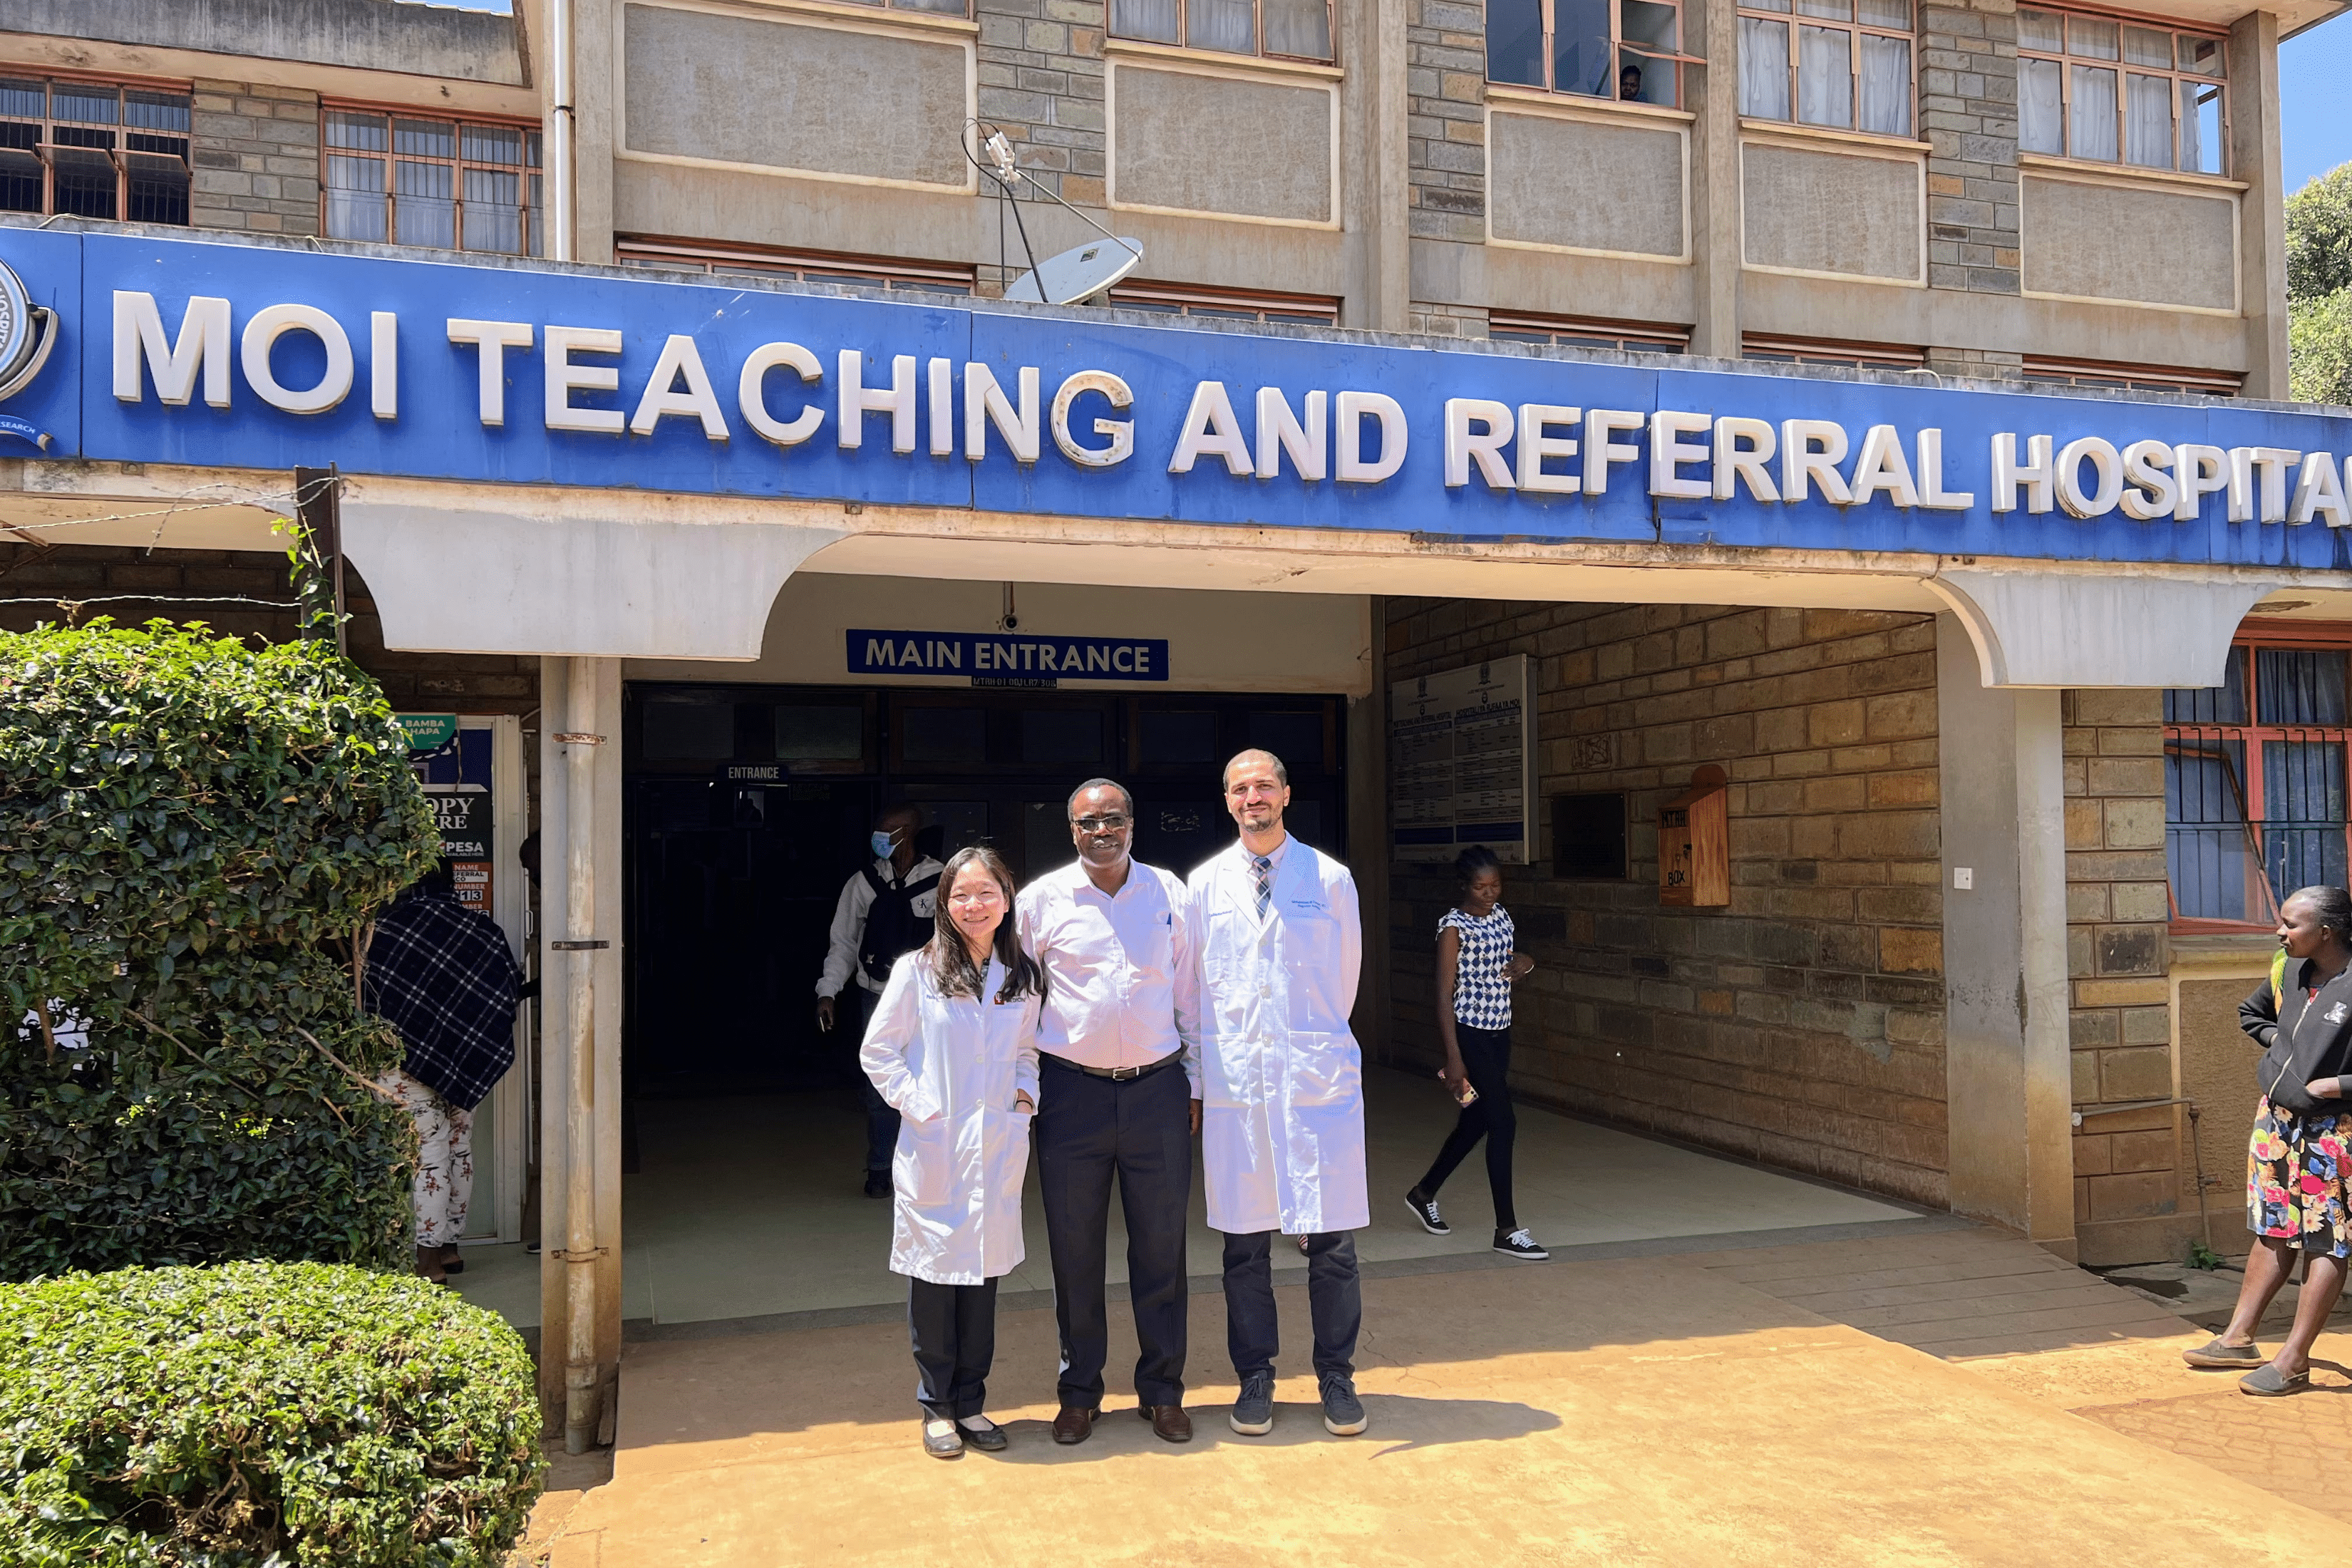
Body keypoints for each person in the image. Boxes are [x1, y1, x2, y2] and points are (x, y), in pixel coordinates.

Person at [1188, 748, 1370, 1438]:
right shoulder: (1204, 886)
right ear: (1228, 800)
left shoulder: (1330, 879)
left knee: (1332, 1242)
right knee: (1244, 1247)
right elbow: (1195, 994)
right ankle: (1256, 1377)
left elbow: (1343, 983)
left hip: (1312, 1082)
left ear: (1287, 795)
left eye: (1264, 785)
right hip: (1240, 1086)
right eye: (1241, 787)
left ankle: (1337, 1376)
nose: (1253, 796)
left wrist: (1309, 1046)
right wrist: (1202, 1081)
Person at [1017, 778, 1202, 1447]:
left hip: (1157, 1091)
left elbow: (1190, 995)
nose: (1102, 831)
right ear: (1072, 830)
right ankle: (1079, 1392)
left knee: (1162, 1249)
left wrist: (1197, 1084)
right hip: (1072, 1095)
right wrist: (1024, 1089)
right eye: (1089, 822)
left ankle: (1162, 1390)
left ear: (1132, 824)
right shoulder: (1039, 902)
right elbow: (1020, 1001)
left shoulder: (1169, 894)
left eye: (1113, 819)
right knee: (1074, 1250)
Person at [860, 847, 1046, 1458]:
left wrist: (1023, 1100)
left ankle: (973, 1403)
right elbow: (879, 1052)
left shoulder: (1022, 974)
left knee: (983, 1285)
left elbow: (1027, 1052)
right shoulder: (918, 970)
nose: (974, 905)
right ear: (944, 903)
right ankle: (936, 1407)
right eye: (960, 895)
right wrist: (922, 1107)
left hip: (996, 1146)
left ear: (1007, 897)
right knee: (936, 1284)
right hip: (937, 1146)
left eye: (985, 892)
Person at [2182, 884, 2352, 1394]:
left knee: (2326, 1239)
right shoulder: (2289, 971)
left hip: (2336, 1130)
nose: (2280, 932)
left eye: (2291, 924)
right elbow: (2251, 1014)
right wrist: (2283, 1049)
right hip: (2277, 1124)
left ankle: (2295, 1358)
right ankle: (2237, 1338)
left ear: (2327, 932)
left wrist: (2338, 1084)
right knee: (2274, 1227)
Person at [363, 864, 525, 1284]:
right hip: (467, 1059)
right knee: (459, 1150)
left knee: (426, 1158)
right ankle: (451, 1249)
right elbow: (507, 990)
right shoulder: (483, 931)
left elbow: (367, 999)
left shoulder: (385, 932)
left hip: (402, 1064)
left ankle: (427, 1263)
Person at [1405, 845, 1549, 1261]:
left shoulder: (1502, 916)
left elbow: (1512, 960)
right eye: (1481, 887)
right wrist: (1454, 1057)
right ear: (1464, 887)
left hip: (1500, 1031)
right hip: (1469, 1032)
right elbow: (1444, 995)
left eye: (1495, 885)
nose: (1489, 893)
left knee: (1477, 1121)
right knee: (1504, 1122)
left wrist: (1527, 962)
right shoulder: (1453, 927)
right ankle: (1507, 1228)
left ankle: (1424, 1191)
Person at [817, 803, 944, 1197]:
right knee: (879, 1089)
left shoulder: (943, 880)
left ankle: (929, 1171)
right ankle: (880, 1168)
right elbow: (843, 942)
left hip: (931, 1002)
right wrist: (828, 990)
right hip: (876, 997)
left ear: (908, 833)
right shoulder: (863, 882)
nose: (879, 839)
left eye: (887, 831)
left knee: (931, 1084)